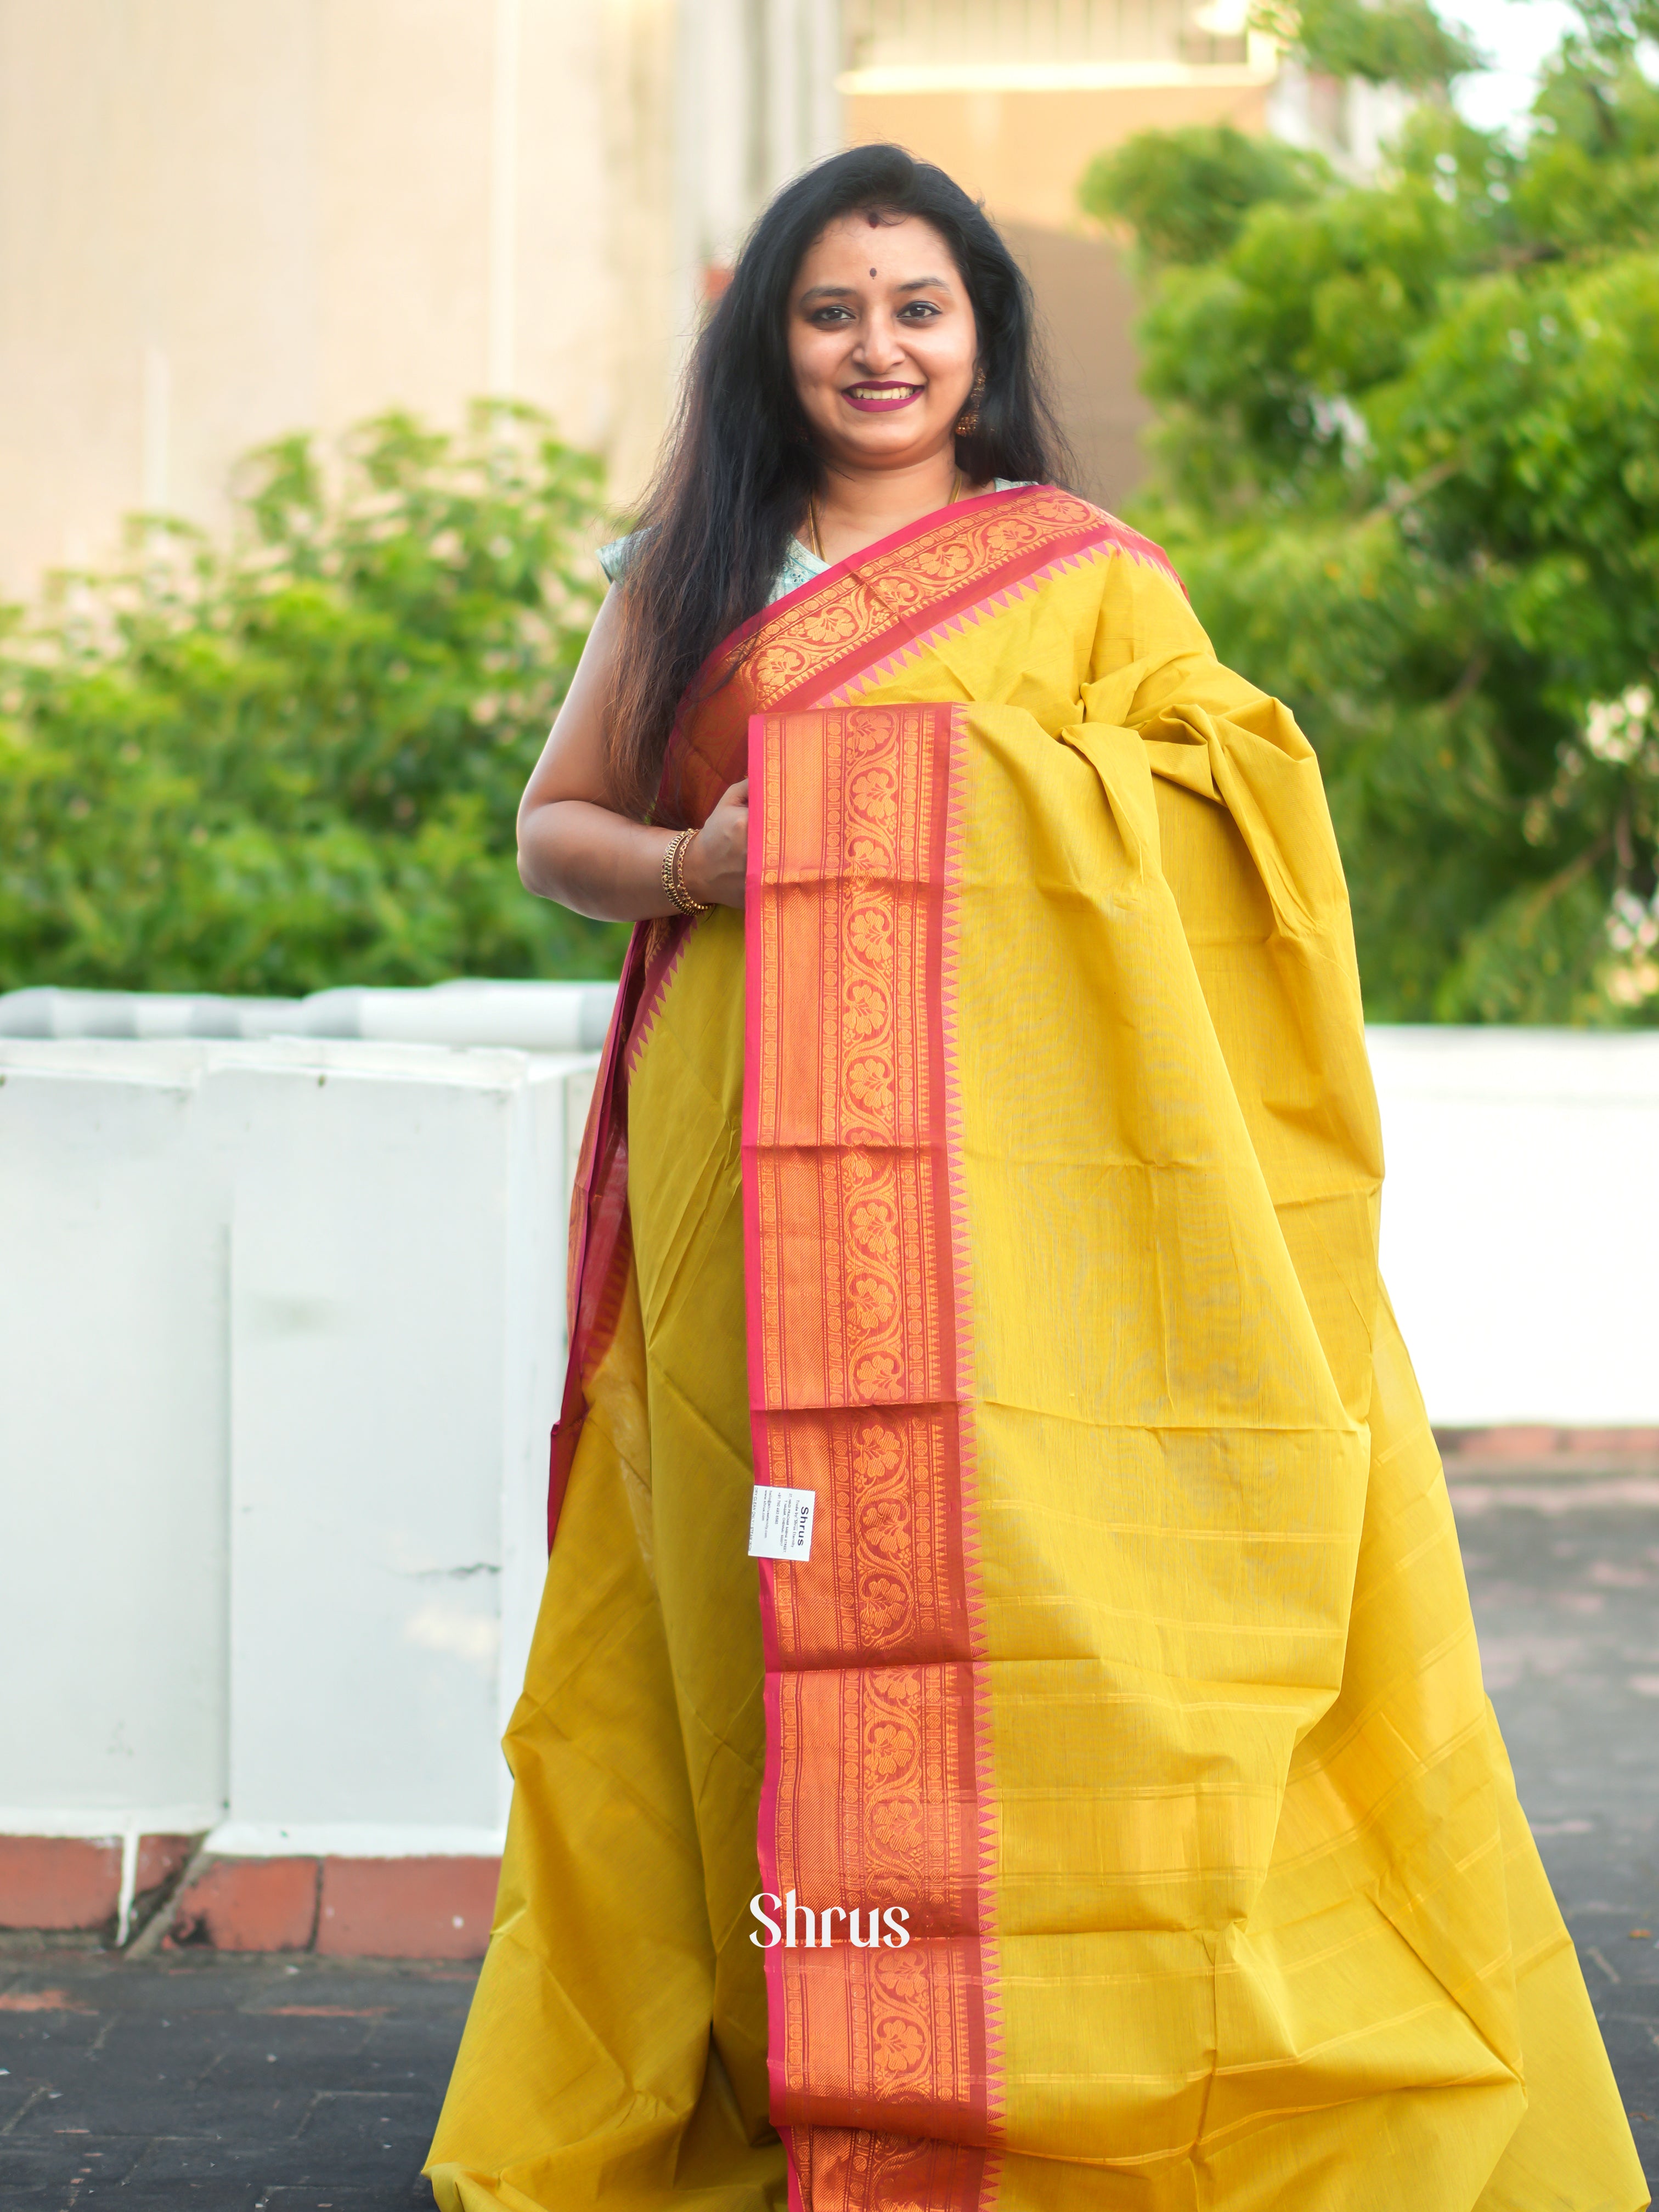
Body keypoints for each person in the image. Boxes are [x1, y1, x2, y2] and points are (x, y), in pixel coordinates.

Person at [427, 144, 1645, 2212]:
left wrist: (928, 798)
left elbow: (1233, 806)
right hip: (750, 1175)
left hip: (1023, 1205)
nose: (876, 348)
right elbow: (560, 831)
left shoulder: (1084, 575)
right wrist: (707, 861)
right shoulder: (694, 571)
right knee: (754, 1606)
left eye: (918, 308)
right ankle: (797, 2062)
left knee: (1040, 1602)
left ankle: (1069, 2067)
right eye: (831, 311)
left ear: (981, 340)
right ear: (770, 344)